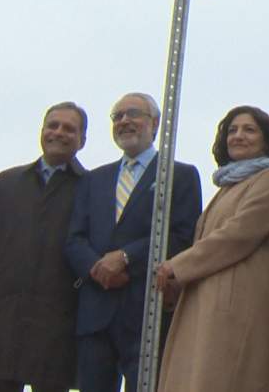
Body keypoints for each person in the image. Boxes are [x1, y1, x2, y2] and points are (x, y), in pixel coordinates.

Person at [65, 93, 202, 392]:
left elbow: (182, 236)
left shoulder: (179, 175)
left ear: (154, 123)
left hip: (146, 310)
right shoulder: (94, 180)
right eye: (117, 116)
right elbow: (74, 238)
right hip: (96, 313)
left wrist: (127, 257)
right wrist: (97, 268)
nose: (124, 121)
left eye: (133, 114)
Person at [154, 105, 269, 392]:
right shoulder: (229, 185)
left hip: (239, 305)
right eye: (232, 130)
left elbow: (237, 235)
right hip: (204, 303)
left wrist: (177, 267)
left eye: (249, 130)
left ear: (267, 140)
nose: (238, 136)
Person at [0, 102, 90, 392]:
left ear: (82, 140)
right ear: (42, 131)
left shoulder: (91, 187)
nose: (58, 132)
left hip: (57, 324)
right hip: (0, 320)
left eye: (69, 128)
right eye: (52, 125)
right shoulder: (6, 183)